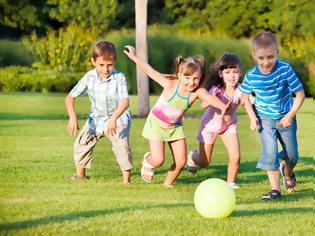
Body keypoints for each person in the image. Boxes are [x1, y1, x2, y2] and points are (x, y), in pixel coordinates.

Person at [124, 45, 231, 187]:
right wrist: (134, 57)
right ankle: (149, 161)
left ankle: (167, 185)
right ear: (180, 75)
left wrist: (223, 106)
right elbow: (150, 71)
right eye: (187, 77)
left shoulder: (197, 92)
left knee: (181, 162)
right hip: (156, 124)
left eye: (195, 78)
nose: (191, 82)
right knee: (158, 160)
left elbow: (209, 97)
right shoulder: (170, 84)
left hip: (175, 127)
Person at [239, 32, 305, 200]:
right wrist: (252, 117)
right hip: (264, 118)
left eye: (270, 57)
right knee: (270, 152)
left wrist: (290, 115)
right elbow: (244, 98)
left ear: (277, 53)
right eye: (261, 58)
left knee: (292, 155)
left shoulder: (285, 69)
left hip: (285, 116)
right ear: (254, 56)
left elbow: (300, 94)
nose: (266, 62)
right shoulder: (251, 76)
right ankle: (275, 190)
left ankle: (287, 172)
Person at [186, 52, 258, 189]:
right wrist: (211, 100)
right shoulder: (216, 89)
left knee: (235, 156)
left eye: (235, 72)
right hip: (209, 127)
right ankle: (193, 156)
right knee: (205, 162)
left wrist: (252, 118)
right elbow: (202, 105)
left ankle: (230, 183)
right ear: (221, 73)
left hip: (228, 126)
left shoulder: (241, 89)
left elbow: (247, 102)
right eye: (228, 72)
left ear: (240, 72)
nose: (232, 76)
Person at [65, 41, 133, 184]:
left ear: (114, 62)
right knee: (82, 142)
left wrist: (114, 118)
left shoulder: (119, 78)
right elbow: (70, 97)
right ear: (93, 61)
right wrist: (73, 117)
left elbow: (125, 102)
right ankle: (80, 176)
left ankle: (127, 181)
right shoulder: (89, 77)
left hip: (118, 119)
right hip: (96, 119)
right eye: (101, 65)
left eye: (110, 65)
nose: (106, 69)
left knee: (122, 146)